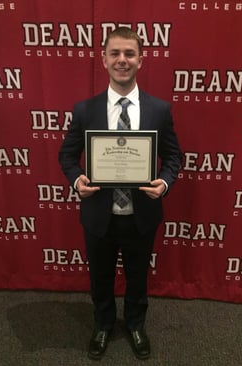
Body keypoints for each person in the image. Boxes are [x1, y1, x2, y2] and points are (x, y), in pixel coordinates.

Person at [59, 26, 182, 360]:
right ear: (104, 59)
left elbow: (173, 157)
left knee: (138, 277)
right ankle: (102, 325)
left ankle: (136, 324)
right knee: (100, 277)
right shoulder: (85, 110)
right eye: (115, 53)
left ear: (141, 59)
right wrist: (77, 180)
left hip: (141, 215)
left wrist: (165, 182)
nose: (122, 60)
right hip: (99, 214)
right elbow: (67, 156)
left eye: (129, 53)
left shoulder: (159, 110)